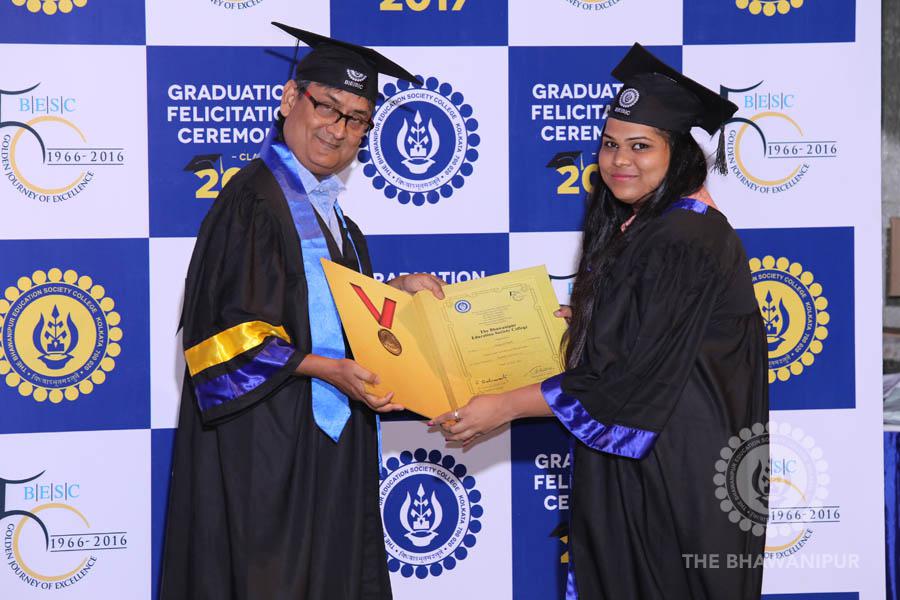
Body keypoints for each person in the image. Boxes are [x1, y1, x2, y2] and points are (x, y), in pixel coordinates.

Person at [432, 44, 768, 599]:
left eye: (641, 146)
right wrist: (588, 323)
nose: (619, 161)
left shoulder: (686, 237)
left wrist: (507, 405)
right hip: (648, 469)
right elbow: (647, 336)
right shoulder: (651, 228)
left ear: (680, 153)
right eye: (610, 144)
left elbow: (630, 376)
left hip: (672, 481)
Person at [160, 23, 444, 600]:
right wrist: (329, 370)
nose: (338, 129)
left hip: (323, 444)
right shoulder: (251, 202)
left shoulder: (333, 215)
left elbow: (319, 313)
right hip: (265, 448)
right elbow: (222, 340)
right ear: (291, 98)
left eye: (357, 119)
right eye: (327, 107)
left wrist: (393, 293)